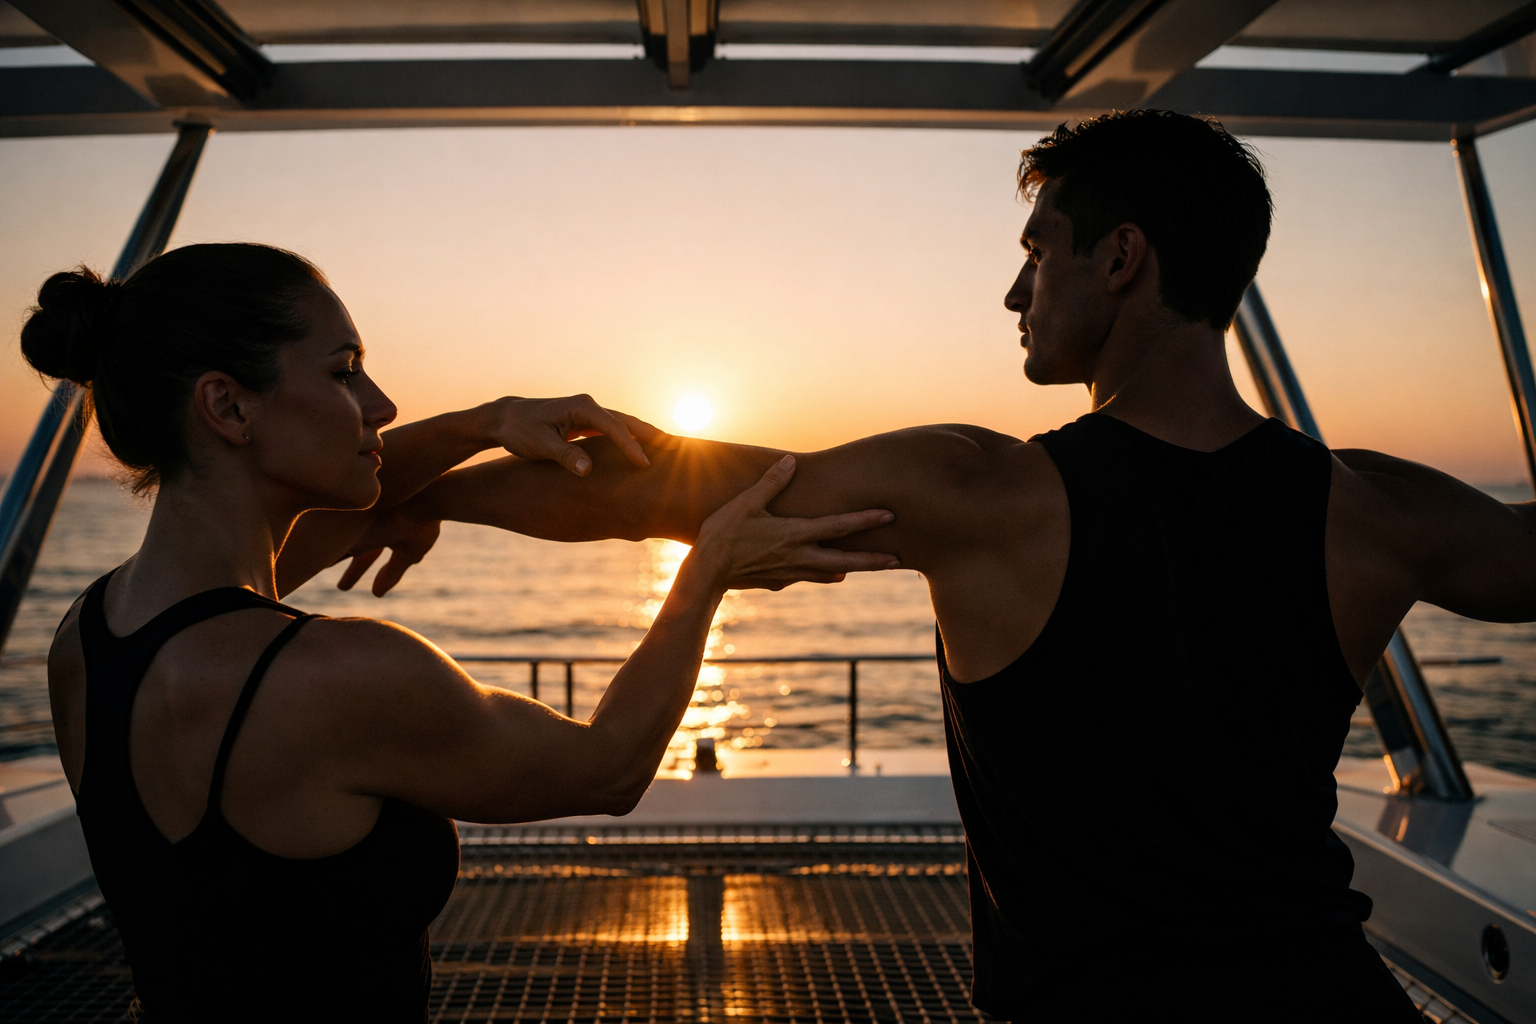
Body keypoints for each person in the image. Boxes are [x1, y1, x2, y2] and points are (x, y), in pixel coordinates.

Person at [347, 111, 1536, 1021]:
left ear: (1121, 259)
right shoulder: (1378, 509)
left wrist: (425, 483)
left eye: (1039, 252)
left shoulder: (984, 490)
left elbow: (639, 487)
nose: (1016, 289)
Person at [20, 242, 898, 1021]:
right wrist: (707, 567)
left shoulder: (85, 637)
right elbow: (609, 767)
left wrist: (483, 424)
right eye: (343, 371)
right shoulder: (339, 675)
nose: (382, 403)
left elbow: (274, 561)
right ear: (229, 407)